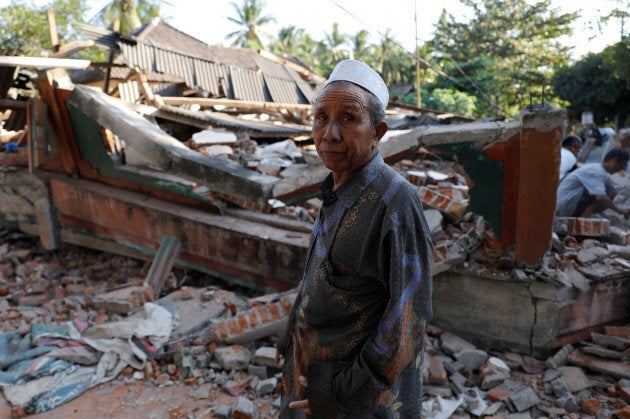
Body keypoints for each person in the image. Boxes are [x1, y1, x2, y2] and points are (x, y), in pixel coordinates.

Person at [276, 59, 433, 418]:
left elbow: (410, 317)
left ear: (377, 132)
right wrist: (291, 336)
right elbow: (320, 276)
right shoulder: (336, 187)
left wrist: (338, 391)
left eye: (348, 118)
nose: (329, 133)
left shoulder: (394, 200)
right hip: (312, 376)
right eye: (321, 118)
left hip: (352, 399)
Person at [556, 147, 630, 218]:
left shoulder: (600, 171)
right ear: (614, 161)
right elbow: (601, 197)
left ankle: (586, 215)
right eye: (621, 166)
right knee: (599, 192)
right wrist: (619, 210)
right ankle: (584, 217)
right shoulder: (596, 171)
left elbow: (612, 192)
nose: (620, 169)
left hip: (569, 202)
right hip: (565, 204)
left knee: (609, 189)